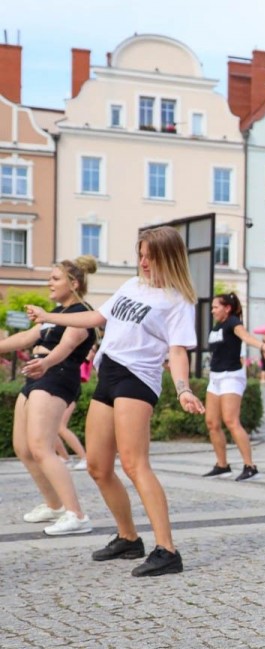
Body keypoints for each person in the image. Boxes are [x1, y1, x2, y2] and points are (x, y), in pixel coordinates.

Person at [28, 227, 204, 576]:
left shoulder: (177, 300)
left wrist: (183, 388)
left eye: (149, 257)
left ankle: (167, 550)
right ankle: (128, 538)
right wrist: (50, 317)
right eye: (140, 254)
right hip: (108, 373)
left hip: (137, 378)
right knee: (97, 466)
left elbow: (177, 350)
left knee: (136, 465)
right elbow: (96, 318)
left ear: (167, 258)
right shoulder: (131, 285)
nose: (142, 262)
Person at [0, 257, 98, 535]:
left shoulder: (81, 312)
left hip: (57, 376)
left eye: (55, 278)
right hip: (37, 376)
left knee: (42, 447)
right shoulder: (55, 313)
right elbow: (24, 339)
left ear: (74, 283)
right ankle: (54, 505)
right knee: (23, 447)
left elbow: (69, 345)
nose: (49, 283)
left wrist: (47, 362)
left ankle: (76, 515)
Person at [201, 293, 265, 481]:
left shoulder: (233, 322)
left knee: (231, 421)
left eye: (216, 307)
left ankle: (250, 466)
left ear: (227, 308)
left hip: (231, 376)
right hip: (216, 377)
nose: (213, 310)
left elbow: (246, 337)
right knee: (212, 422)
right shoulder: (217, 326)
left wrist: (262, 346)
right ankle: (222, 465)